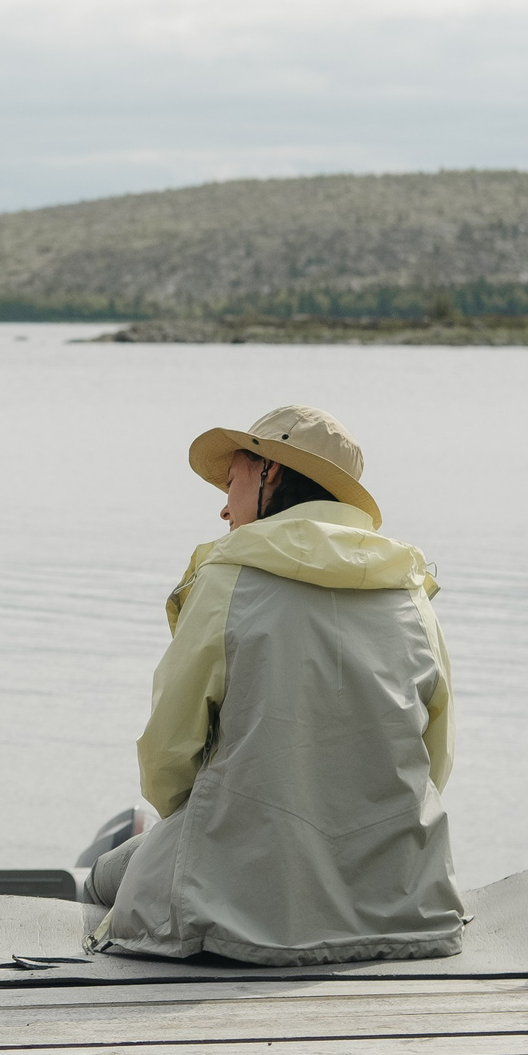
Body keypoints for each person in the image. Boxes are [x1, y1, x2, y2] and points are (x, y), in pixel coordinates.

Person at [89, 404, 463, 966]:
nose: (222, 506)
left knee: (107, 873)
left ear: (271, 472)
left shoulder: (227, 580)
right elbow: (435, 763)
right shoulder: (410, 594)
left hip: (235, 912)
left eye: (233, 479)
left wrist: (205, 824)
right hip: (401, 910)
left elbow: (168, 757)